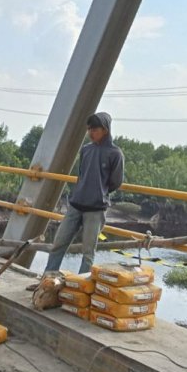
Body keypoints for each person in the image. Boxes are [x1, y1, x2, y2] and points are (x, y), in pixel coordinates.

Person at [44, 112, 124, 274]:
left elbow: (116, 182)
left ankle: (81, 287)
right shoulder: (86, 150)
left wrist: (97, 192)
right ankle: (47, 279)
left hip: (95, 209)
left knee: (88, 252)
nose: (90, 133)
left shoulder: (115, 154)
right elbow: (82, 175)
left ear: (105, 130)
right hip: (75, 205)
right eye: (88, 129)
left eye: (94, 129)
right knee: (58, 244)